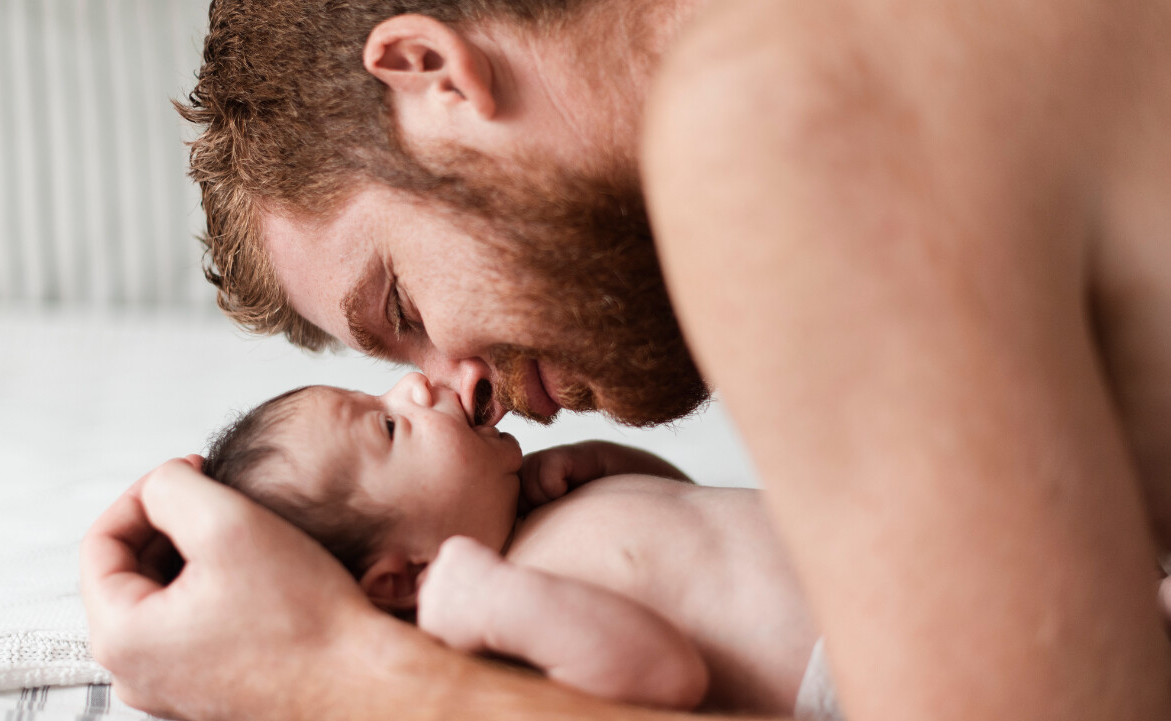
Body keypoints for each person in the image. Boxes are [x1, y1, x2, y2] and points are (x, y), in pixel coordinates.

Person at [80, 0, 1171, 719]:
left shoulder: (776, 111)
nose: (468, 382)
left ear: (432, 74)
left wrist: (325, 671)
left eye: (402, 300)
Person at [197, 373, 826, 715]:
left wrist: (608, 464)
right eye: (389, 425)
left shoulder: (536, 516)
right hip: (848, 671)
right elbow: (666, 677)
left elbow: (692, 517)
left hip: (870, 564)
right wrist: (497, 601)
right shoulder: (503, 627)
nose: (413, 384)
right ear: (403, 578)